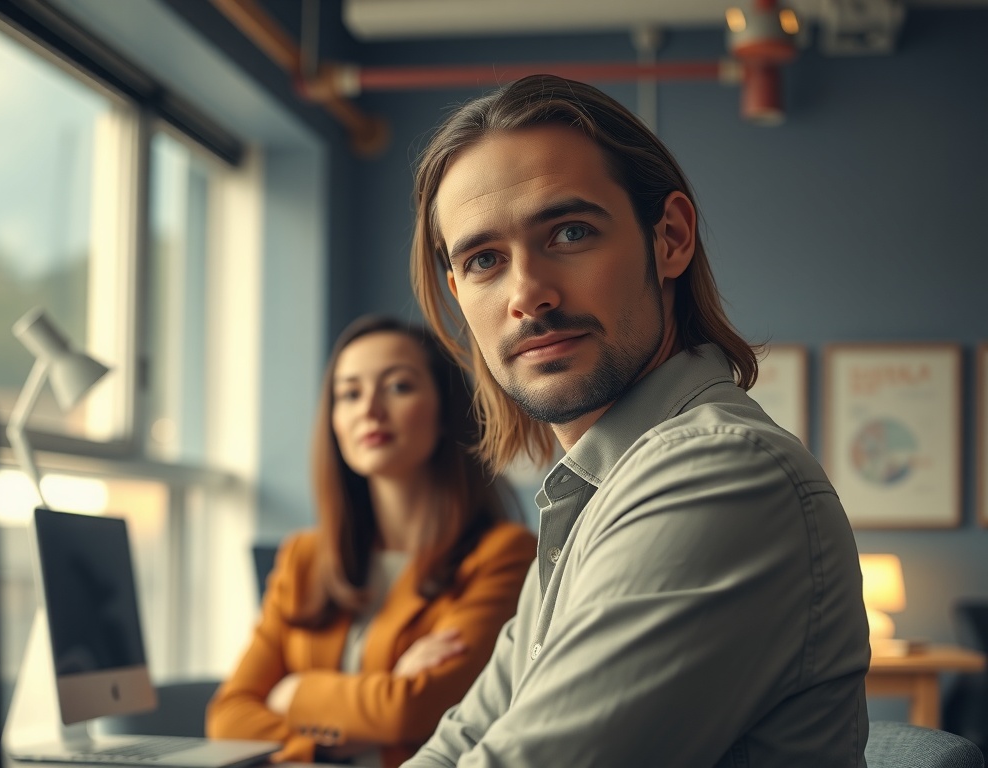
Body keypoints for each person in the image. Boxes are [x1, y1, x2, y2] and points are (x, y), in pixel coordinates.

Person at [404, 75, 870, 767]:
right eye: (484, 260)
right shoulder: (590, 497)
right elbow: (458, 748)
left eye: (569, 231)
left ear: (671, 238)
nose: (527, 293)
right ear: (458, 292)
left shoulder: (721, 473)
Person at [206, 315, 537, 767]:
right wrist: (331, 739)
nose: (370, 410)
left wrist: (293, 693)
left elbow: (412, 710)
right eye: (350, 393)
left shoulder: (504, 555)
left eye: (398, 387)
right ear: (334, 421)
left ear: (444, 410)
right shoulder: (304, 558)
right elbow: (228, 716)